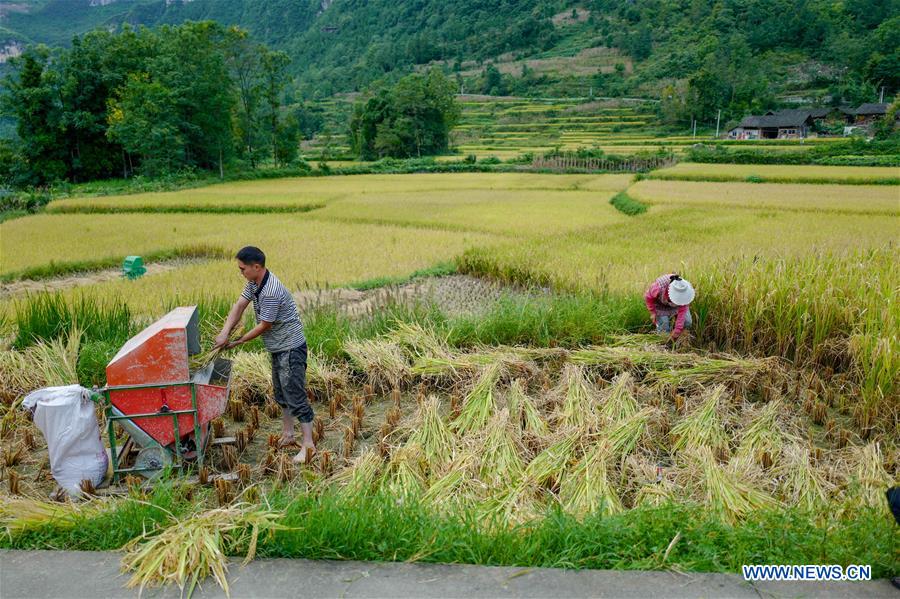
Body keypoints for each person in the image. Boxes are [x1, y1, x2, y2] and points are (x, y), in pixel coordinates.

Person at [215, 246, 315, 464]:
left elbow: (264, 325)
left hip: (290, 347)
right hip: (278, 347)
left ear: (256, 267)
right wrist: (224, 332)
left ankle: (308, 445)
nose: (240, 272)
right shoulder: (254, 283)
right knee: (282, 393)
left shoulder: (270, 290)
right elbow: (240, 304)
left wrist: (238, 341)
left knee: (295, 395)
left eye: (242, 269)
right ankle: (288, 435)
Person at [644, 273, 694, 340]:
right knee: (664, 326)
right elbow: (648, 297)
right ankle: (664, 343)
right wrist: (653, 312)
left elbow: (682, 313)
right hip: (660, 305)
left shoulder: (685, 293)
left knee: (687, 322)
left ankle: (681, 340)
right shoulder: (658, 287)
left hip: (676, 305)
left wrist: (677, 331)